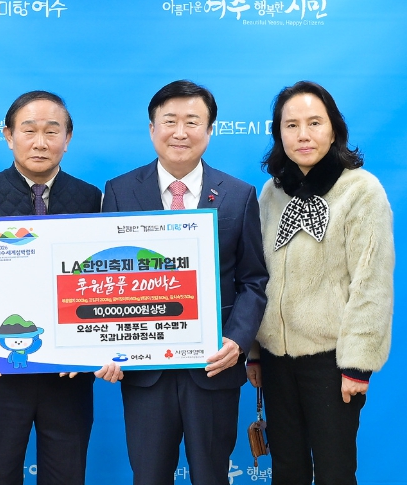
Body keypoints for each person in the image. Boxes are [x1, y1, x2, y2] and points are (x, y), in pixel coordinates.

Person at [0, 90, 122, 485]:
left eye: (52, 131)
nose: (40, 142)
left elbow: (105, 284)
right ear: (9, 136)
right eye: (29, 131)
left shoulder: (92, 199)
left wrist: (102, 345)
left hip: (69, 377)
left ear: (67, 139)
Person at [102, 80, 269, 485]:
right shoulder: (120, 191)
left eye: (192, 122)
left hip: (213, 367)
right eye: (169, 121)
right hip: (144, 373)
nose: (180, 132)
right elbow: (107, 277)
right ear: (152, 129)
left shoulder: (238, 195)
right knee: (148, 476)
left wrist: (237, 341)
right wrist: (105, 344)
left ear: (209, 130)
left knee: (212, 476)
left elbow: (253, 280)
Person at [246, 81, 394, 485]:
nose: (303, 135)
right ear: (279, 134)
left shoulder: (361, 190)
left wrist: (357, 365)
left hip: (332, 361)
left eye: (314, 123)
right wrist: (255, 352)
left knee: (334, 471)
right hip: (276, 360)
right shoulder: (272, 193)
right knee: (287, 470)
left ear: (334, 129)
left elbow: (372, 282)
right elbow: (258, 276)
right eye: (291, 125)